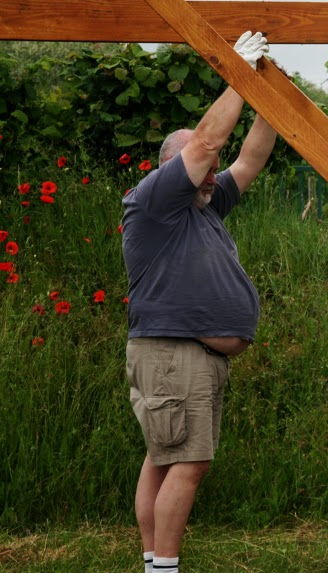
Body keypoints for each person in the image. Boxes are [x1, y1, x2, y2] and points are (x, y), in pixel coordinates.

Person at [121, 32, 278, 573]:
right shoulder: (156, 200)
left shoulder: (205, 204)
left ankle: (152, 560)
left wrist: (270, 92)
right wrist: (235, 68)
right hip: (172, 353)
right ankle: (163, 566)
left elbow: (251, 157)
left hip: (186, 356)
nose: (216, 174)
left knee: (164, 459)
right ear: (173, 167)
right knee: (188, 462)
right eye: (203, 168)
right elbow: (209, 145)